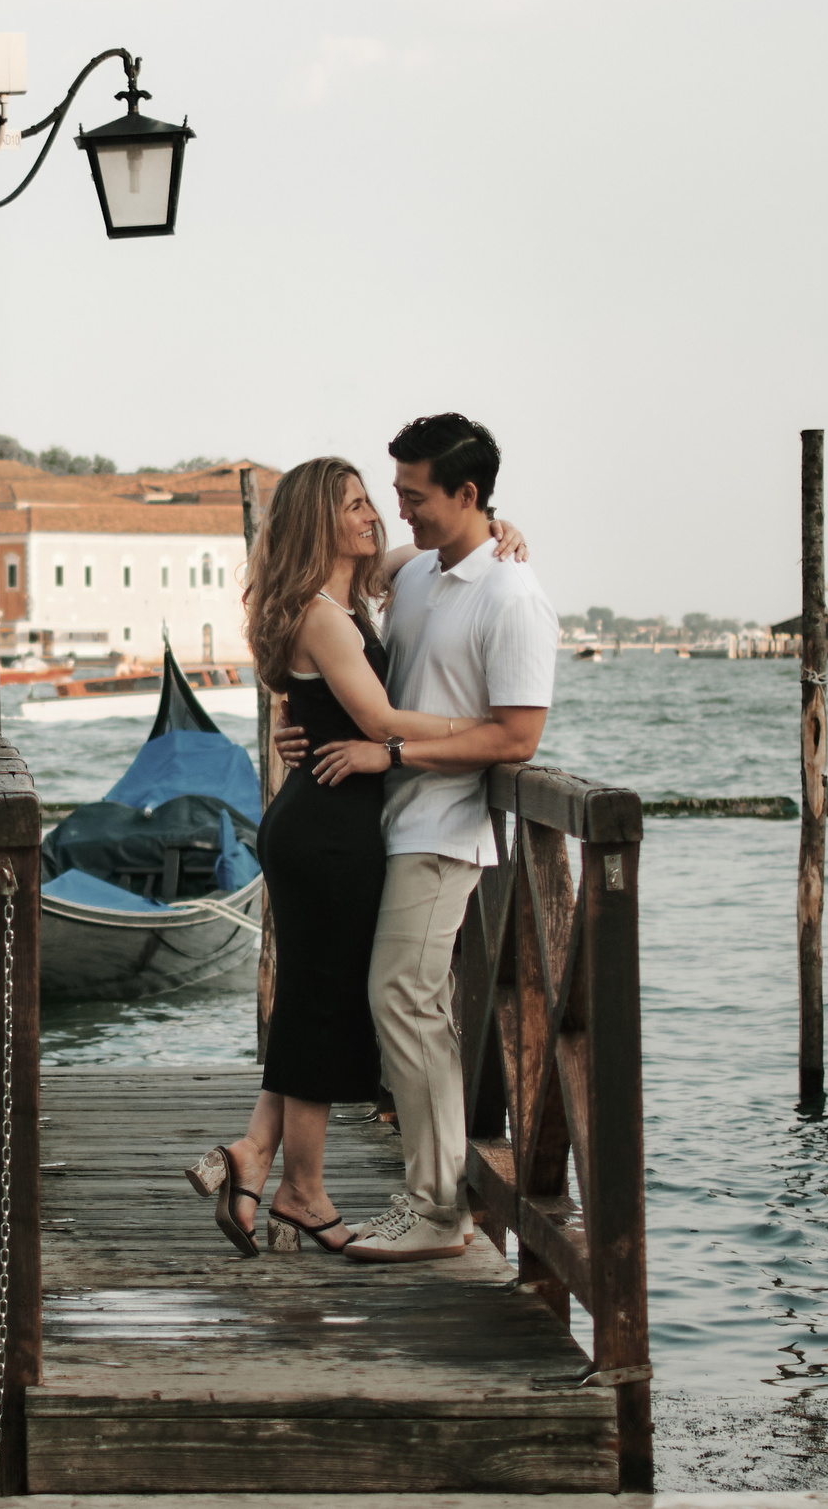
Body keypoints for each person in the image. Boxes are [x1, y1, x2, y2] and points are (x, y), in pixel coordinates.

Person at [185, 454, 522, 1257]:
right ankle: (299, 1188)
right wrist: (484, 732)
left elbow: (445, 554)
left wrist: (500, 530)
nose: (375, 515)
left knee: (313, 997)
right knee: (327, 1001)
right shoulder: (326, 615)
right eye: (356, 505)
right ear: (317, 522)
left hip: (320, 821)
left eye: (376, 501)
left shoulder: (353, 595)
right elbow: (377, 723)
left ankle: (256, 1157)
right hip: (328, 829)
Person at [277, 413, 557, 1263]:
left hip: (444, 830)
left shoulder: (513, 596)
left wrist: (391, 749)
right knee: (402, 1001)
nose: (399, 510)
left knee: (406, 999)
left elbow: (515, 739)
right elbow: (352, 654)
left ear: (466, 494)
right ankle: (428, 1194)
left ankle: (437, 1205)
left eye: (413, 494)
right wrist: (307, 726)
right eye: (390, 494)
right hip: (387, 823)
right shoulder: (426, 575)